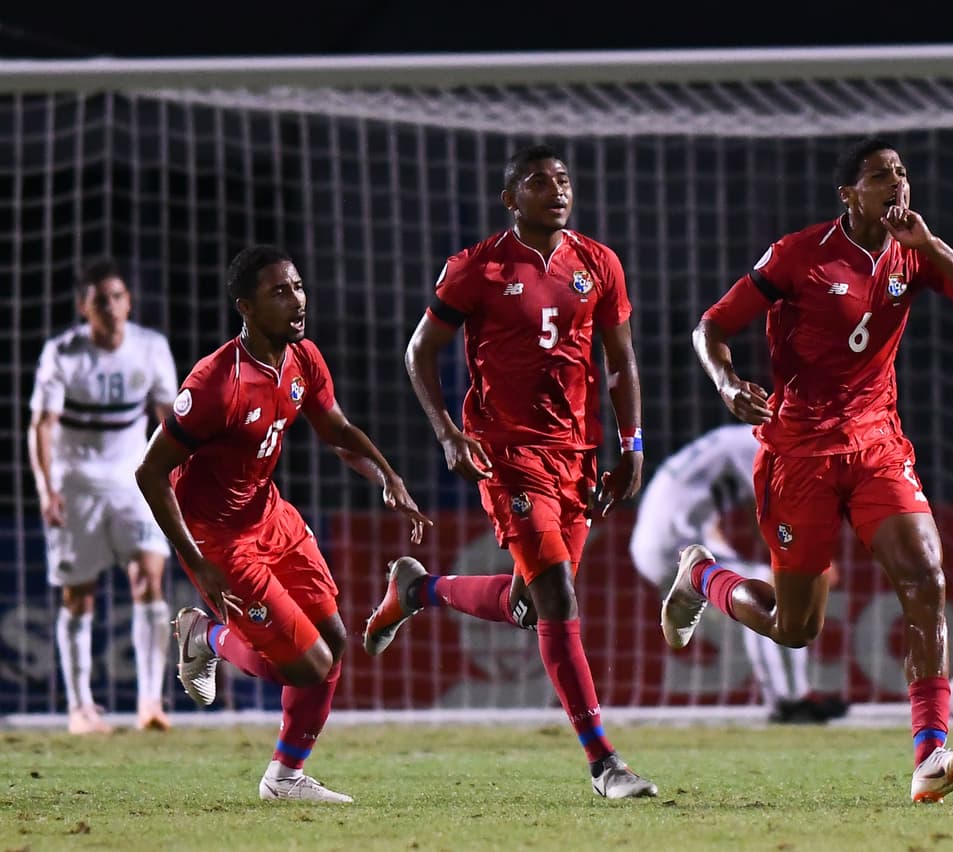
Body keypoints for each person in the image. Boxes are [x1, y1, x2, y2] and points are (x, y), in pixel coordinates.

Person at [668, 137, 953, 803]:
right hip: (798, 455)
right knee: (797, 631)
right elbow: (711, 326)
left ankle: (929, 756)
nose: (897, 185)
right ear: (849, 194)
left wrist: (933, 246)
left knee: (927, 578)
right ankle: (702, 576)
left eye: (903, 174)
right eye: (881, 177)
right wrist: (727, 381)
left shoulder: (914, 253)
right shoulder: (799, 255)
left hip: (879, 445)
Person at [363, 144, 657, 800]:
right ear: (510, 198)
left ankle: (417, 591)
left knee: (530, 604)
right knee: (557, 598)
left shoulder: (598, 263)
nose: (556, 190)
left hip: (576, 458)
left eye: (563, 180)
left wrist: (630, 441)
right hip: (508, 454)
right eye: (539, 182)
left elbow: (621, 360)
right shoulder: (479, 268)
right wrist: (447, 433)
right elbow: (421, 351)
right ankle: (604, 763)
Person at [134, 245, 428, 802]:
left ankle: (285, 778)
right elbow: (151, 474)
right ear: (245, 307)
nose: (297, 300)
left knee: (335, 641)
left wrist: (387, 476)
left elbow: (337, 430)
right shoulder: (214, 384)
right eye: (279, 292)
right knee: (309, 664)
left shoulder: (303, 359)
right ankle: (207, 636)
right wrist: (197, 560)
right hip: (218, 539)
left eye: (297, 287)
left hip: (270, 516)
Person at [28, 257, 178, 735]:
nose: (111, 308)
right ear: (84, 307)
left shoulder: (151, 348)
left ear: (128, 301)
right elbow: (42, 426)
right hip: (76, 485)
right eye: (100, 301)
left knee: (149, 580)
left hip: (133, 480)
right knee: (78, 596)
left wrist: (175, 476)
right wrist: (46, 488)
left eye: (117, 297)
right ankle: (80, 709)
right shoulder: (62, 354)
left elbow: (169, 419)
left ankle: (151, 702)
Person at [630, 423, 847, 724]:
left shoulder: (737, 439)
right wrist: (812, 563)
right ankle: (790, 700)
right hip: (674, 545)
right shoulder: (759, 447)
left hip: (664, 538)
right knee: (771, 595)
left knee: (761, 592)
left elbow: (697, 501)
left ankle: (790, 696)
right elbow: (769, 518)